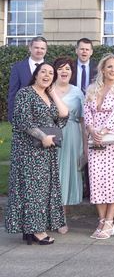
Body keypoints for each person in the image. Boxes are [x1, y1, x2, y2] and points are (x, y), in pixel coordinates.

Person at [5, 63, 69, 245]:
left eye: (51, 73)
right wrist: (42, 137)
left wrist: (53, 92)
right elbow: (23, 121)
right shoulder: (25, 93)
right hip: (28, 151)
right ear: (36, 74)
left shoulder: (48, 95)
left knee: (43, 190)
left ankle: (31, 229)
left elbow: (64, 114)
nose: (47, 75)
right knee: (33, 191)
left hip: (46, 151)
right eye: (44, 72)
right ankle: (37, 231)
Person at [83, 54, 114, 240]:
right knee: (98, 183)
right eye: (109, 66)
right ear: (103, 68)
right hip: (95, 143)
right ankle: (101, 220)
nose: (112, 70)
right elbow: (87, 112)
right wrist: (92, 130)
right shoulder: (92, 89)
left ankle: (110, 221)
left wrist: (101, 132)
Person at [52, 57, 86, 233]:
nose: (64, 72)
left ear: (72, 73)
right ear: (55, 71)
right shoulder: (47, 89)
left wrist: (84, 147)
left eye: (68, 69)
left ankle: (61, 218)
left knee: (65, 176)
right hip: (50, 135)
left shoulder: (77, 92)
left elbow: (82, 121)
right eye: (60, 68)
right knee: (52, 175)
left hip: (72, 137)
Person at [7, 36, 47, 122]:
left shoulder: (52, 68)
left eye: (42, 48)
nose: (39, 51)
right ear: (30, 48)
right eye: (36, 47)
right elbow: (12, 93)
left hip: (46, 117)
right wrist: (12, 116)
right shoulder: (18, 68)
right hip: (23, 116)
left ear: (46, 50)